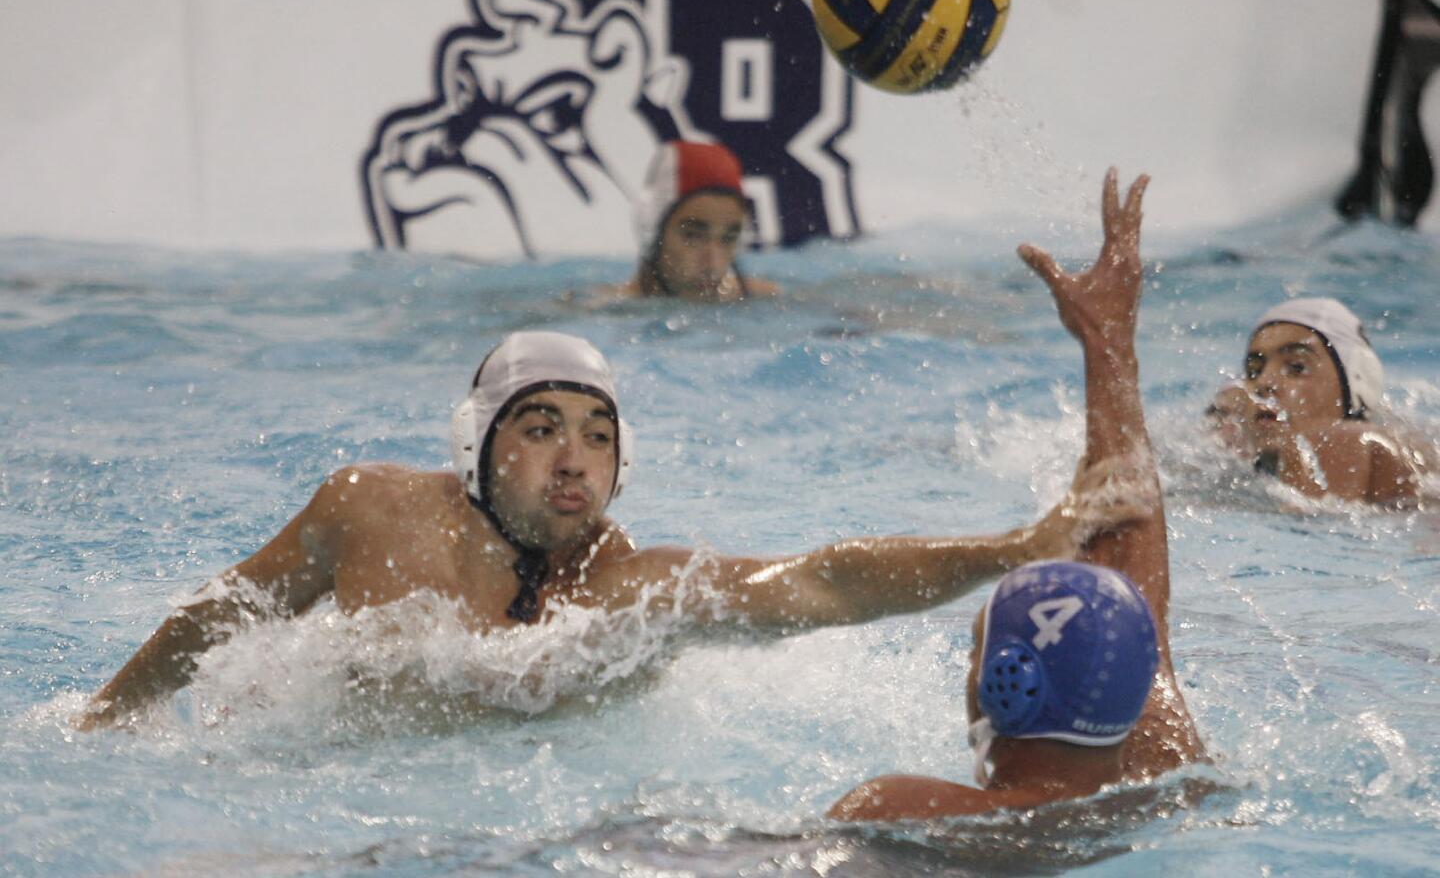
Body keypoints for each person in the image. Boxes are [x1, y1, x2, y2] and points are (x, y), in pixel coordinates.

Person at [75, 329, 1140, 730]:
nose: (575, 456)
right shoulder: (367, 507)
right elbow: (228, 607)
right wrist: (108, 715)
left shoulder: (630, 593)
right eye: (540, 428)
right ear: (479, 447)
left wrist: (1013, 548)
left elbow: (823, 581)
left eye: (597, 433)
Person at [829, 170, 1207, 820]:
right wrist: (1107, 343)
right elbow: (1134, 595)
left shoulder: (904, 814)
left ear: (1010, 685)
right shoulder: (1170, 771)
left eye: (977, 649)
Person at [1207, 297, 1432, 506]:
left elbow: (1304, 530)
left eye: (1296, 368)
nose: (1264, 383)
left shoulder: (1348, 437)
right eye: (1254, 371)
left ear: (1353, 385)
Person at [615, 140, 779, 302]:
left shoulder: (762, 297)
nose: (713, 264)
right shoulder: (607, 312)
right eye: (693, 236)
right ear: (651, 230)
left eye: (728, 238)